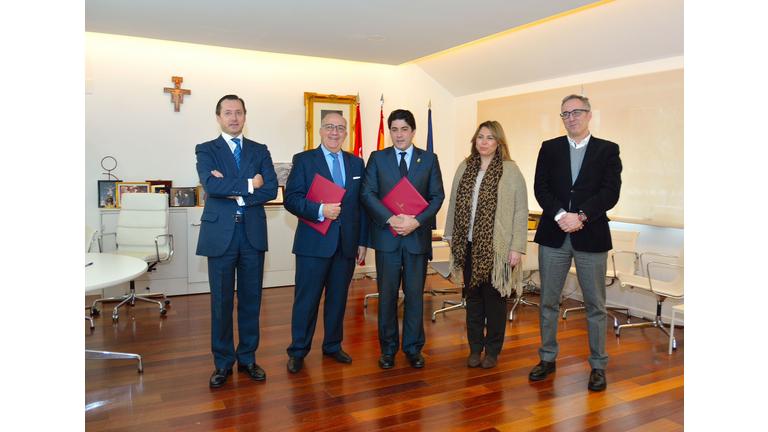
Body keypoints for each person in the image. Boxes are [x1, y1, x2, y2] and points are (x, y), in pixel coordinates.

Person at [528, 94, 622, 392]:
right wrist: (560, 215)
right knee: (548, 301)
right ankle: (547, 358)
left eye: (576, 112)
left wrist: (580, 216)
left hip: (590, 235)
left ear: (589, 114)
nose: (571, 118)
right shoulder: (549, 148)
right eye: (565, 114)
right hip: (554, 235)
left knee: (595, 305)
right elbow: (540, 188)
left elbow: (610, 193)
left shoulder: (608, 150)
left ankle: (598, 365)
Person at [195, 94, 278, 388]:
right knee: (221, 302)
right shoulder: (206, 149)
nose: (234, 117)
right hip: (220, 236)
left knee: (251, 300)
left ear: (245, 116)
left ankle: (247, 359)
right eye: (228, 113)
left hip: (252, 235)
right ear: (218, 117)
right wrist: (249, 183)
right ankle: (222, 363)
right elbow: (210, 185)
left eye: (239, 112)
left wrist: (232, 189)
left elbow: (270, 189)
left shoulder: (259, 150)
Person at [283, 112, 368, 374]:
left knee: (338, 300)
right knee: (306, 300)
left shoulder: (356, 163)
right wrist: (320, 210)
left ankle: (332, 345)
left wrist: (362, 241)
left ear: (346, 133)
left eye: (340, 128)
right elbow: (291, 199)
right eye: (329, 127)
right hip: (313, 244)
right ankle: (298, 350)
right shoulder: (304, 160)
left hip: (346, 244)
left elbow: (362, 206)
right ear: (320, 131)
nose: (334, 132)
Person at [361, 109, 444, 370]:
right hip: (387, 238)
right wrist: (391, 219)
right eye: (394, 130)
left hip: (416, 239)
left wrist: (415, 222)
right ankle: (388, 349)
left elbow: (437, 197)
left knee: (415, 296)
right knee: (387, 296)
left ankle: (413, 348)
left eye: (404, 129)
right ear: (390, 131)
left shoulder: (428, 159)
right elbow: (367, 193)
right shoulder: (378, 158)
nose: (399, 135)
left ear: (413, 131)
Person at [443, 120, 528, 369]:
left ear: (499, 142)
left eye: (490, 138)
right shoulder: (465, 166)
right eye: (480, 137)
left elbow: (520, 211)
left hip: (497, 249)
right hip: (468, 244)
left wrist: (516, 247)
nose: (484, 142)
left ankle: (492, 351)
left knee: (494, 302)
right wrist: (451, 235)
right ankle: (474, 349)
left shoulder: (510, 171)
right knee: (473, 300)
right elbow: (454, 202)